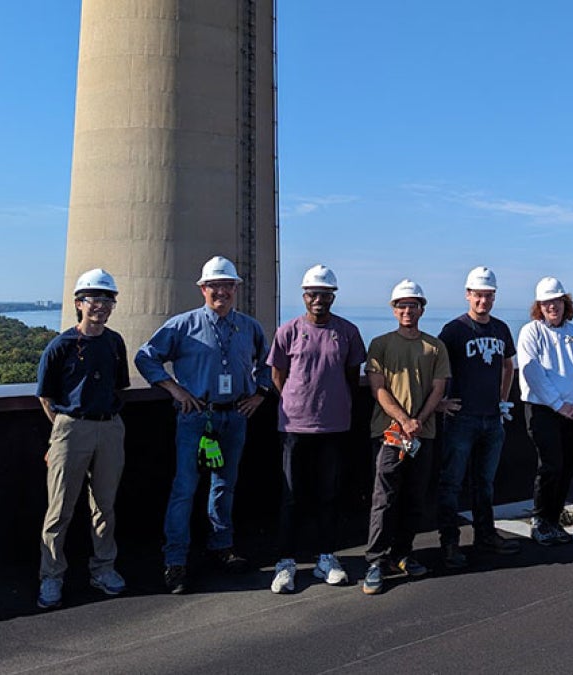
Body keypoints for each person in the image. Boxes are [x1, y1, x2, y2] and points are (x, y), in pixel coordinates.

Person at [135, 255, 273, 594]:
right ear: (203, 289)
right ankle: (176, 561)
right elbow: (145, 356)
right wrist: (174, 388)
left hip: (235, 416)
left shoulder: (249, 327)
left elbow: (266, 363)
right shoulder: (182, 325)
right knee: (185, 488)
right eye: (215, 285)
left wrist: (260, 394)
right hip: (196, 416)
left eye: (227, 285)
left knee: (225, 485)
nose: (221, 291)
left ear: (235, 289)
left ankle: (221, 547)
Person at [266, 265, 366, 593]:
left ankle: (326, 557)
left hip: (335, 426)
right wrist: (295, 402)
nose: (318, 300)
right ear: (304, 296)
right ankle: (285, 562)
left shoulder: (347, 332)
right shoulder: (288, 331)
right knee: (291, 496)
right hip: (294, 426)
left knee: (329, 495)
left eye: (324, 294)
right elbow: (277, 374)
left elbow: (353, 374)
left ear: (333, 296)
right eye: (312, 294)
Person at [34, 269, 129, 609]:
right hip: (71, 428)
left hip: (109, 427)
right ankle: (52, 576)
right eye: (94, 300)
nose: (101, 306)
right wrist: (64, 430)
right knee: (60, 508)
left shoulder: (115, 341)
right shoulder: (60, 346)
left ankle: (103, 569)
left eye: (108, 300)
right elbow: (45, 397)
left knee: (105, 506)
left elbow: (119, 385)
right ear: (79, 303)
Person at [362, 279, 451, 595]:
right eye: (401, 305)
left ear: (422, 309)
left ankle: (403, 554)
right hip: (389, 434)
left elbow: (439, 387)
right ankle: (375, 560)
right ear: (393, 309)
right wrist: (403, 420)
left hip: (422, 435)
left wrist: (419, 421)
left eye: (413, 304)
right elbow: (378, 389)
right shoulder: (380, 344)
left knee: (415, 498)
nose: (407, 310)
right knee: (384, 497)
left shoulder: (434, 346)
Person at [436, 266, 522, 570]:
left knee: (485, 483)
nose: (483, 300)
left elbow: (508, 365)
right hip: (462, 419)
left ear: (494, 297)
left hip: (491, 419)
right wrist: (440, 402)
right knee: (452, 483)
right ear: (468, 295)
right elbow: (437, 367)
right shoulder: (454, 330)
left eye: (488, 295)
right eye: (478, 295)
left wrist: (502, 400)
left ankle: (485, 536)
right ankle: (449, 542)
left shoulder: (500, 329)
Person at [518, 277, 573, 545]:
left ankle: (554, 519)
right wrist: (560, 405)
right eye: (547, 302)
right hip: (543, 410)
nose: (553, 306)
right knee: (550, 465)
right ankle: (540, 520)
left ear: (565, 303)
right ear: (539, 305)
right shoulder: (531, 332)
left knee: (568, 465)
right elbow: (532, 373)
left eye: (557, 301)